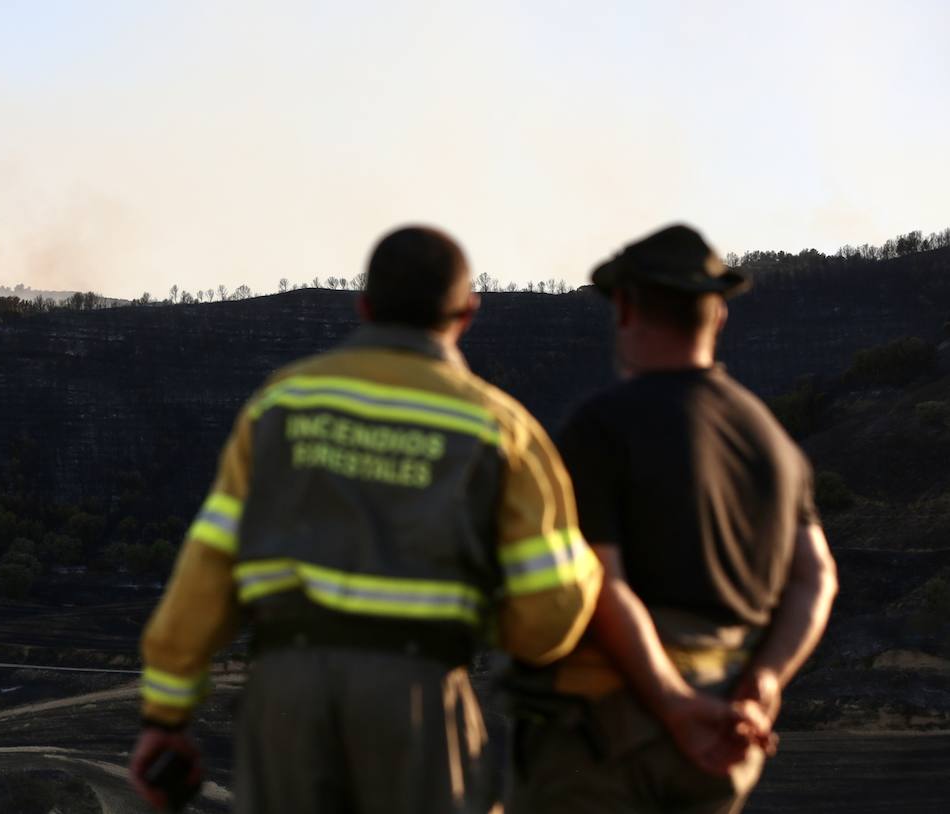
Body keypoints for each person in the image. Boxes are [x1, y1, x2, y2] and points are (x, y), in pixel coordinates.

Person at [128, 225, 604, 813]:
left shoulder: (283, 405)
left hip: (288, 695)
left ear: (364, 305)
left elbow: (209, 567)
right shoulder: (499, 429)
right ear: (467, 312)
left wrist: (165, 717)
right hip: (418, 694)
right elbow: (551, 611)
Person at [506, 224, 839, 813]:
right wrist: (764, 682)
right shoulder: (774, 443)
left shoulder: (601, 426)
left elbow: (602, 582)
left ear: (625, 308)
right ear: (719, 317)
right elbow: (817, 578)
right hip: (727, 733)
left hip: (612, 735)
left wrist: (672, 702)